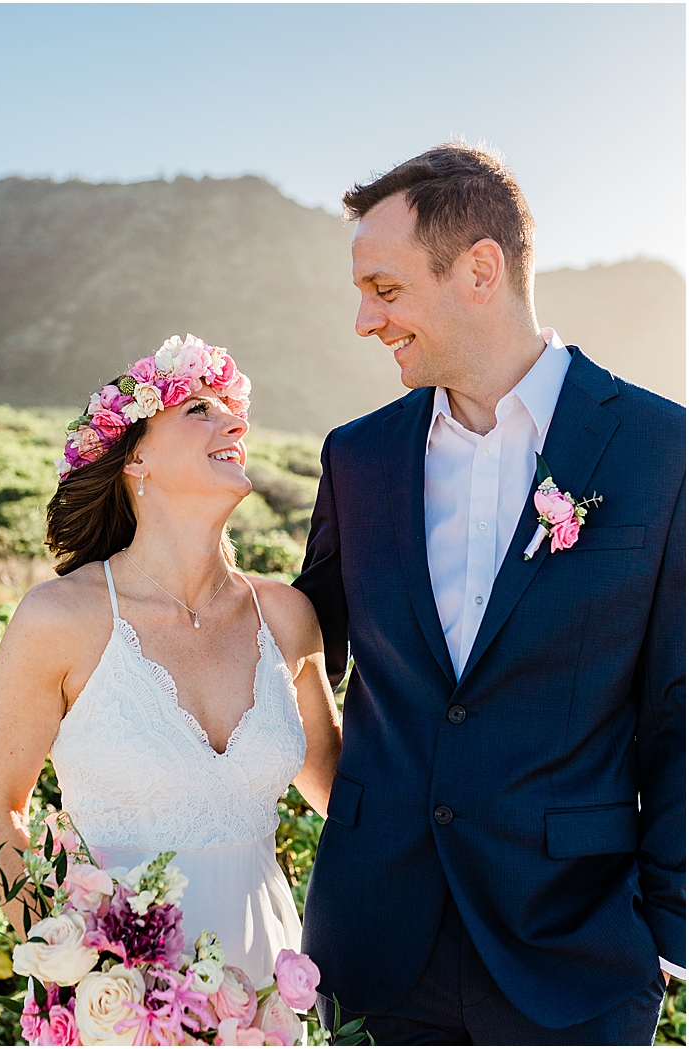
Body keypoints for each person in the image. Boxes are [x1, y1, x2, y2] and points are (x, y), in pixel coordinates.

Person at [294, 143, 685, 1043]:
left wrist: (671, 931)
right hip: (375, 951)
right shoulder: (355, 458)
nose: (364, 319)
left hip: (576, 956)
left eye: (385, 290)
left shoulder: (662, 450)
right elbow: (304, 639)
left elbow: (680, 704)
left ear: (480, 269)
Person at [0, 335, 342, 989]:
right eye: (199, 410)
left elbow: (346, 798)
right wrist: (77, 977)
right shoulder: (58, 619)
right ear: (136, 458)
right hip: (119, 999)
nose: (235, 422)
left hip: (266, 986)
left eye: (232, 410)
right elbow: (2, 813)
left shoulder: (288, 617)